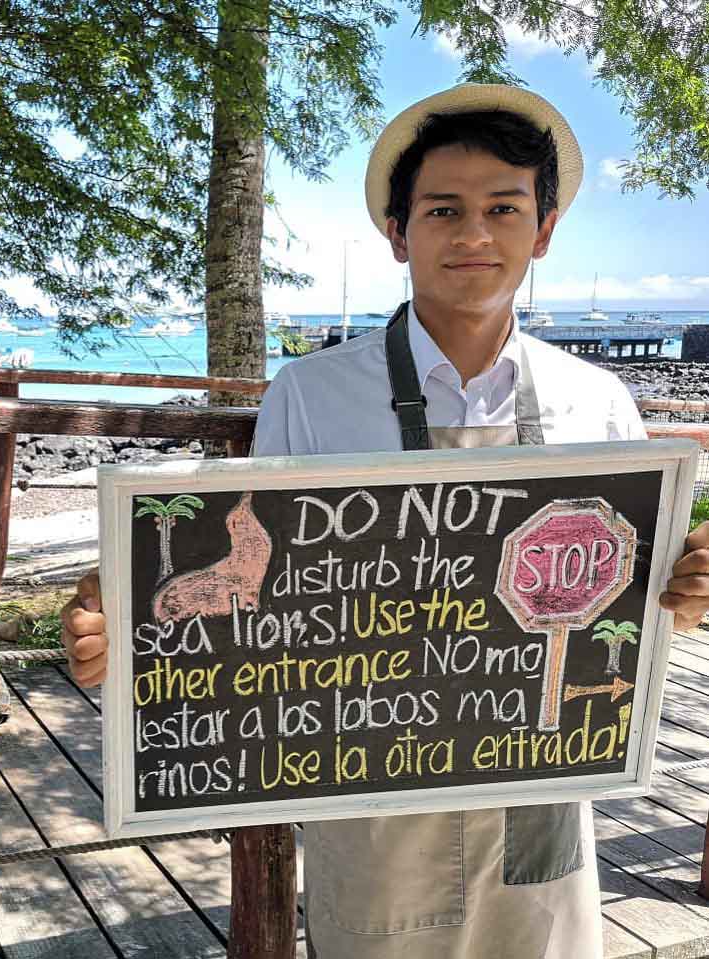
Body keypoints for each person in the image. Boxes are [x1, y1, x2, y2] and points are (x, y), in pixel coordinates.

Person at [60, 83, 709, 958]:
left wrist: (689, 587)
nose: (473, 234)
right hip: (363, 783)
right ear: (398, 232)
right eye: (442, 209)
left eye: (501, 208)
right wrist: (125, 624)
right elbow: (258, 581)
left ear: (542, 231)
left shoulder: (598, 402)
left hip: (543, 788)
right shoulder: (313, 394)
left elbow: (639, 603)